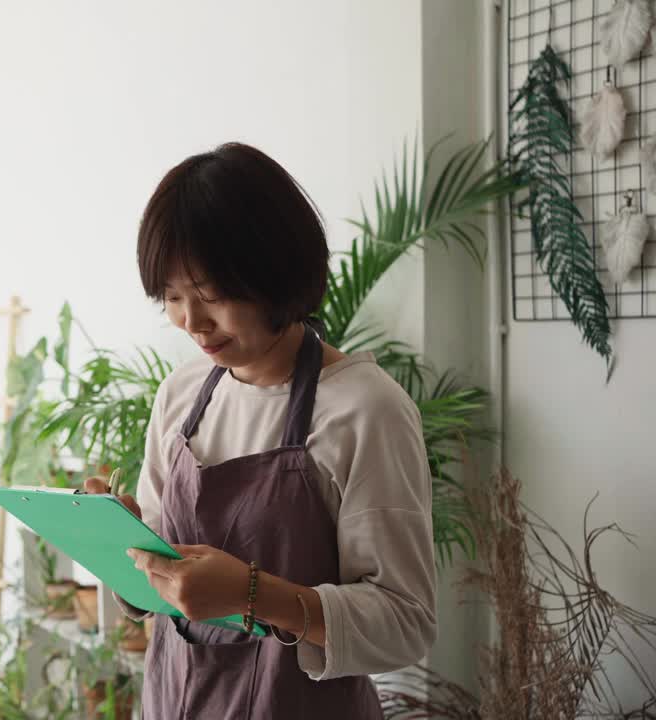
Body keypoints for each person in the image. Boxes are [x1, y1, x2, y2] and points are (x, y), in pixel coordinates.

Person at [84, 142, 436, 718]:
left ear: (273, 273)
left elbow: (406, 623)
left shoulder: (365, 410)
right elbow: (157, 587)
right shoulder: (180, 394)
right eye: (172, 297)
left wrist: (253, 595)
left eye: (211, 296)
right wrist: (122, 550)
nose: (191, 322)